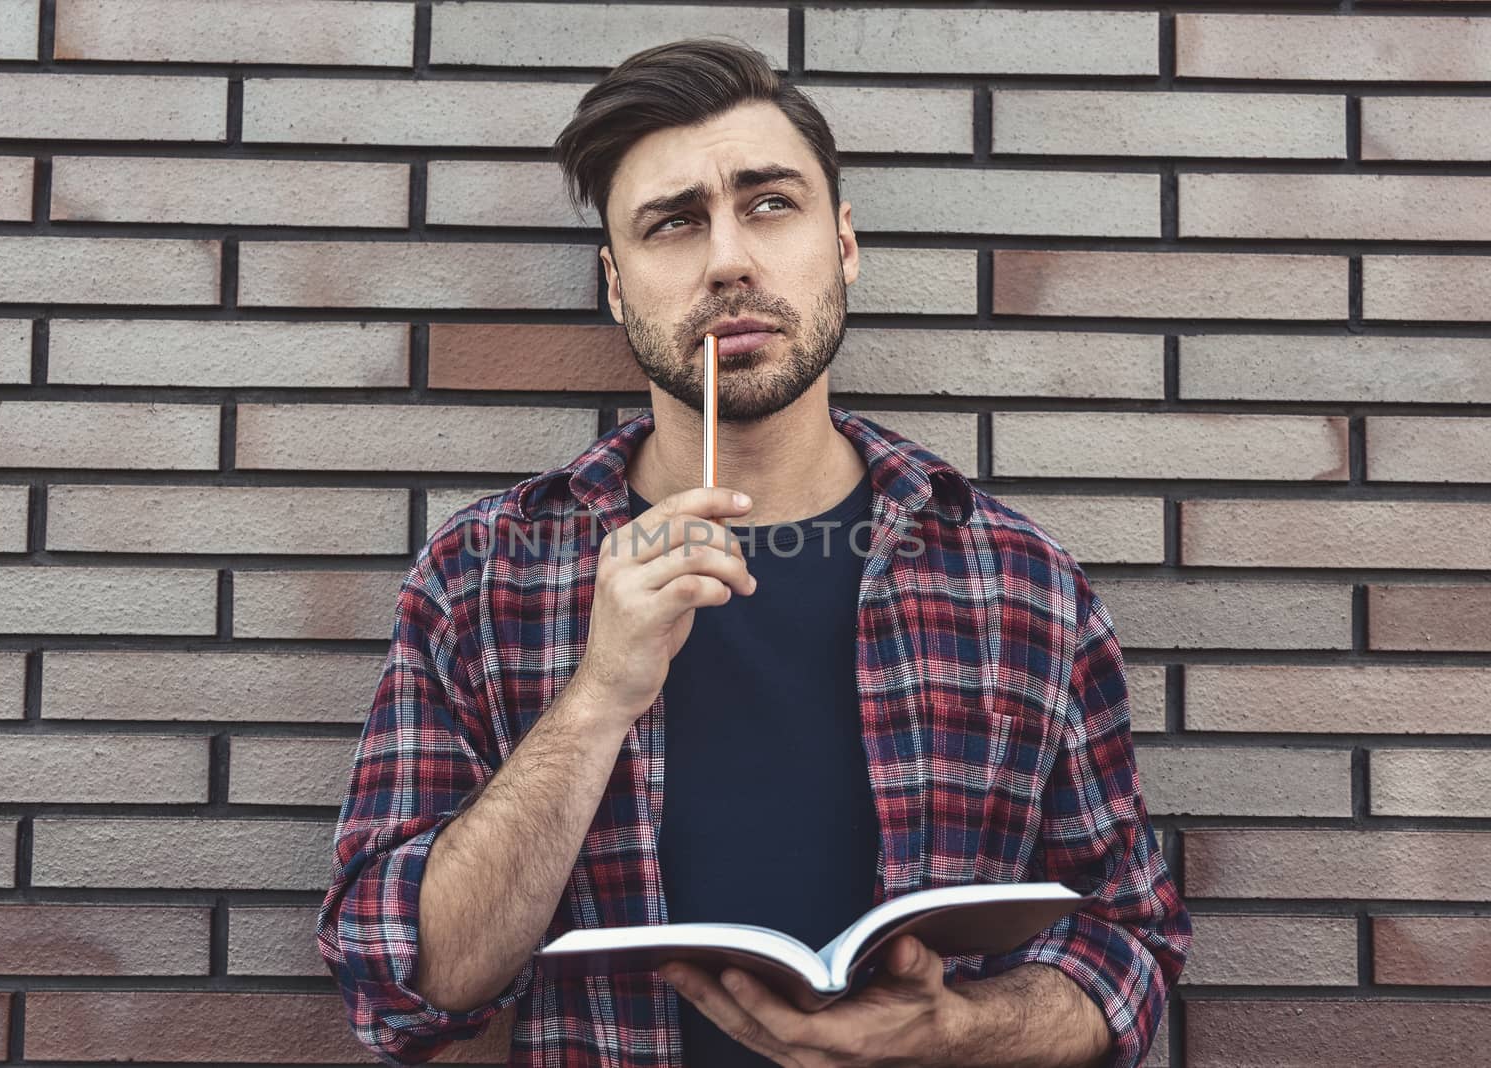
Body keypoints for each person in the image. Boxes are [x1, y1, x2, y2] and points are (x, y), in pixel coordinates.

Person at [318, 36, 1191, 1068]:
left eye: (769, 203)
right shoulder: (484, 576)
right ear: (614, 284)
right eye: (674, 223)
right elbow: (403, 982)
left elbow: (1130, 941)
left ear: (845, 245)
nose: (728, 258)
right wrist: (600, 692)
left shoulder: (1016, 580)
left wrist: (962, 1032)